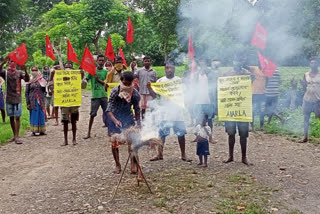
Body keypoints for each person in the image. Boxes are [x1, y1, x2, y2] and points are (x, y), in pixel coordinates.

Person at [148, 60, 191, 162]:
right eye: (167, 68)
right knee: (162, 134)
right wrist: (150, 88)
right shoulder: (160, 81)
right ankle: (160, 154)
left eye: (171, 68)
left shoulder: (179, 80)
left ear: (175, 68)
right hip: (165, 112)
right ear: (165, 69)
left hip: (177, 112)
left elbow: (188, 92)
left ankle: (183, 154)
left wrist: (187, 84)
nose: (169, 70)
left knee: (181, 134)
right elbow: (154, 95)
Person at [106, 72, 141, 174]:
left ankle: (133, 164)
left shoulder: (135, 94)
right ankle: (118, 164)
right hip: (114, 118)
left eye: (128, 84)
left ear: (132, 83)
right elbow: (109, 109)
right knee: (114, 142)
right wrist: (115, 121)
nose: (126, 86)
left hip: (128, 118)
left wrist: (138, 123)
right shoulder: (114, 91)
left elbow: (137, 110)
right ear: (121, 80)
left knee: (132, 142)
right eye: (124, 83)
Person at [223, 53, 253, 165]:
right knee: (231, 133)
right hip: (230, 108)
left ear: (242, 61)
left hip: (243, 108)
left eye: (240, 60)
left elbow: (251, 85)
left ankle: (244, 157)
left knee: (243, 134)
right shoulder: (226, 74)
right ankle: (230, 156)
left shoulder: (247, 74)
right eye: (236, 60)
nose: (237, 62)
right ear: (233, 60)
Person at [0, 56, 30, 144]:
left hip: (17, 98)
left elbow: (27, 79)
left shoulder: (19, 72)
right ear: (8, 62)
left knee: (17, 117)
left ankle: (17, 136)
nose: (12, 63)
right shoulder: (5, 72)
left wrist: (26, 70)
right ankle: (14, 135)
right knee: (11, 117)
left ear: (16, 63)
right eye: (10, 61)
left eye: (14, 61)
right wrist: (3, 62)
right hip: (9, 98)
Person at [83, 55, 109, 139]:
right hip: (95, 96)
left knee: (108, 114)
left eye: (102, 60)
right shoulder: (91, 71)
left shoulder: (106, 72)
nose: (101, 62)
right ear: (97, 61)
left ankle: (111, 131)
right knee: (92, 114)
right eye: (99, 60)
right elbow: (85, 81)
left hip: (104, 95)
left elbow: (107, 84)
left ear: (104, 61)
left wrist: (98, 80)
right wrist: (83, 80)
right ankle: (88, 132)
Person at [59, 62, 84, 146]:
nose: (68, 69)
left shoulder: (76, 79)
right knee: (65, 121)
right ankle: (65, 140)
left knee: (74, 121)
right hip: (64, 103)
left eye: (70, 67)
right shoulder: (60, 78)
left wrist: (80, 75)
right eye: (66, 67)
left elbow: (83, 85)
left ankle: (74, 139)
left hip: (74, 102)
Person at [193, 60, 215, 143]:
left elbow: (214, 87)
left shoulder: (210, 75)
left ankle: (210, 137)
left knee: (209, 120)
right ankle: (197, 136)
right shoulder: (196, 75)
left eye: (204, 64)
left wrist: (214, 103)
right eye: (201, 64)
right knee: (197, 120)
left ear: (206, 65)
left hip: (208, 101)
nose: (202, 66)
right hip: (197, 101)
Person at [299, 57, 320, 143]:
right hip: (307, 99)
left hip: (318, 100)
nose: (313, 64)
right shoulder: (306, 74)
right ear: (309, 64)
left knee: (319, 117)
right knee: (306, 118)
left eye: (315, 63)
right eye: (311, 63)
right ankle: (305, 137)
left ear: (318, 64)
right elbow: (304, 88)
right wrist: (303, 84)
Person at [26, 66, 47, 136]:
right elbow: (27, 92)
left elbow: (44, 91)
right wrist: (28, 103)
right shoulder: (29, 80)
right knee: (34, 114)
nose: (34, 72)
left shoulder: (41, 79)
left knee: (41, 114)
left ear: (38, 71)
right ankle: (34, 130)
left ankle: (42, 130)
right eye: (33, 70)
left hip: (40, 100)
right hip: (32, 101)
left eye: (35, 70)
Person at [250, 65, 266, 131]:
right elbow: (246, 67)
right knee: (252, 110)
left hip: (262, 93)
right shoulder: (254, 68)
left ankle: (261, 126)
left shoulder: (266, 70)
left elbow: (267, 80)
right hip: (254, 93)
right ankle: (251, 126)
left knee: (261, 111)